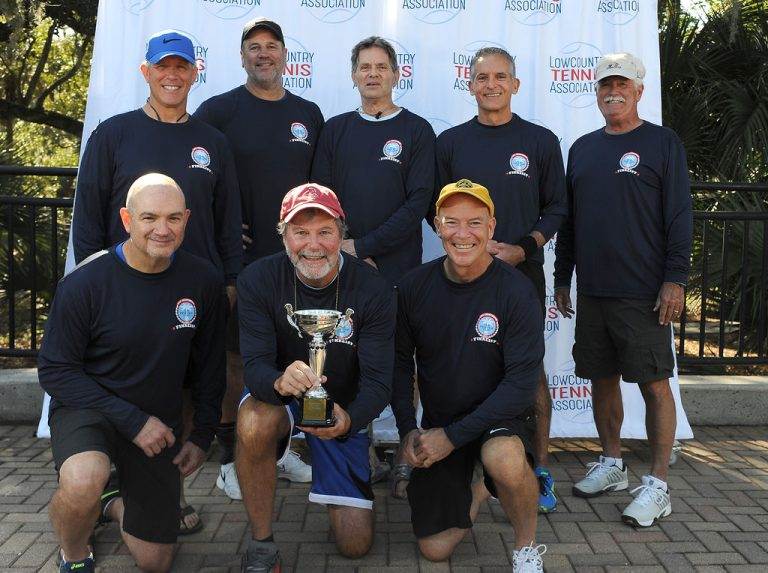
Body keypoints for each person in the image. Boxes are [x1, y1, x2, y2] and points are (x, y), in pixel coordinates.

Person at [70, 29, 241, 533]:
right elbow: (88, 217)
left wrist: (230, 280)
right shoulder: (113, 134)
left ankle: (169, 492)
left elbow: (228, 220)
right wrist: (93, 280)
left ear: (194, 73)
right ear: (146, 72)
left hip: (194, 293)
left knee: (183, 391)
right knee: (121, 382)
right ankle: (109, 485)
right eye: (162, 66)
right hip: (125, 290)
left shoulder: (213, 142)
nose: (172, 75)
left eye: (181, 67)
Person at [38, 174, 225, 573]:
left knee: (156, 562)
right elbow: (55, 372)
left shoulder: (203, 280)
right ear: (126, 219)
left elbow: (210, 366)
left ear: (187, 219)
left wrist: (203, 435)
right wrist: (133, 421)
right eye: (149, 217)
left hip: (156, 421)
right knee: (84, 479)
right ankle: (75, 552)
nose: (163, 229)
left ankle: (110, 504)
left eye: (173, 218)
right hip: (89, 409)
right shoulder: (85, 283)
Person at [553, 53, 692, 527]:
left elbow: (679, 215)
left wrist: (675, 279)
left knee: (654, 385)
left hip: (644, 292)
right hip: (593, 290)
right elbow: (571, 221)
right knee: (601, 378)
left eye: (622, 84)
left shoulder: (662, 142)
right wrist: (563, 276)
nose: (613, 92)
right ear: (596, 92)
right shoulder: (583, 148)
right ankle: (612, 463)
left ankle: (658, 485)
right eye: (605, 85)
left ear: (638, 91)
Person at [235, 183, 396, 570]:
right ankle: (261, 543)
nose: (313, 245)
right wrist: (279, 382)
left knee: (355, 544)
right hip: (281, 400)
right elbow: (254, 365)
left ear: (342, 233)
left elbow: (379, 382)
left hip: (341, 407)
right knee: (254, 422)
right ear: (283, 236)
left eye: (325, 231)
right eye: (300, 232)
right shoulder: (257, 279)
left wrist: (350, 420)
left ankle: (351, 457)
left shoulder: (373, 287)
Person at [434, 47, 566, 513]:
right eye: (482, 77)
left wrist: (523, 247)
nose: (491, 85)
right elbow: (436, 210)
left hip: (520, 274)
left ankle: (540, 468)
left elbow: (557, 208)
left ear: (515, 84)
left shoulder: (540, 141)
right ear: (470, 84)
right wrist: (467, 248)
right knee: (457, 363)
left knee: (531, 372)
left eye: (500, 76)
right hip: (461, 276)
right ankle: (458, 463)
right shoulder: (450, 143)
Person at [194, 17, 321, 496]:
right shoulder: (219, 110)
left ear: (285, 55)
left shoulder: (308, 114)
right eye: (253, 46)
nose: (263, 53)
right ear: (242, 56)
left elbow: (320, 188)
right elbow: (195, 177)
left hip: (301, 260)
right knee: (236, 360)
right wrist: (220, 225)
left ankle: (282, 451)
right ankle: (232, 458)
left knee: (297, 356)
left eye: (271, 45)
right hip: (241, 263)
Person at [392, 179, 546, 572]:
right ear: (437, 226)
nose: (463, 234)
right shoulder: (412, 287)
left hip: (501, 419)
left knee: (503, 458)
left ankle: (526, 547)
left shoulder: (517, 290)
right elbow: (400, 365)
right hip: (442, 422)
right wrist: (409, 429)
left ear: (491, 228)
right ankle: (478, 491)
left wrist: (452, 437)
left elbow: (520, 387)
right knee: (435, 549)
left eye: (474, 223)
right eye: (452, 222)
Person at [311, 36, 435, 284]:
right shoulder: (334, 129)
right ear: (354, 76)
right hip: (341, 260)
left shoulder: (417, 130)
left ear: (396, 75)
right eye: (365, 67)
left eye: (381, 67)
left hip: (398, 266)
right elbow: (322, 198)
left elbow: (418, 203)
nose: (373, 74)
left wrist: (364, 247)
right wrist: (348, 247)